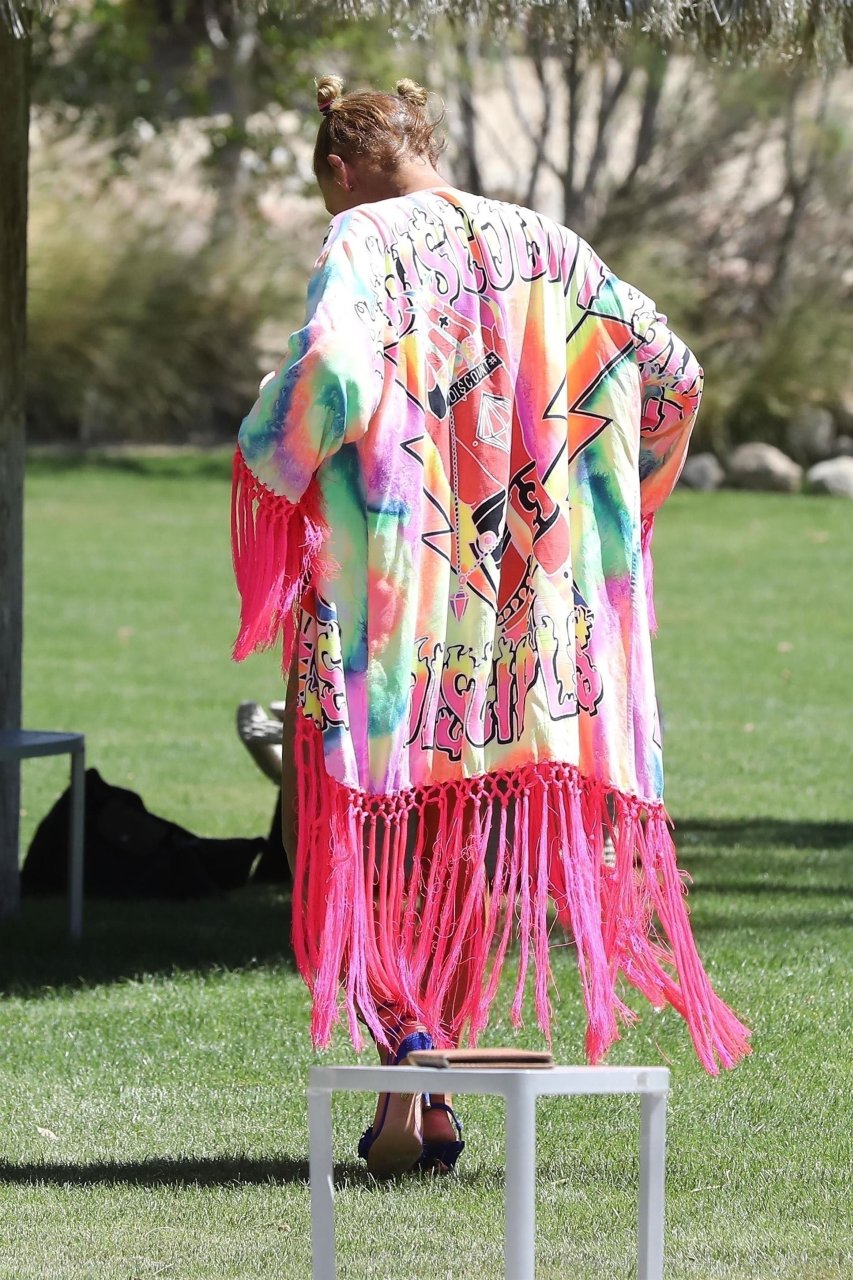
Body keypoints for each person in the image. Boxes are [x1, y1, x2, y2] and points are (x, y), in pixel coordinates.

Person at [231, 74, 750, 1176]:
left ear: (339, 170)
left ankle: (409, 1059)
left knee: (373, 834)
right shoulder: (551, 245)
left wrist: (265, 440)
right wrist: (604, 506)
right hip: (524, 619)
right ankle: (425, 1090)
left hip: (396, 606)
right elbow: (671, 376)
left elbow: (332, 373)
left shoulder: (364, 238)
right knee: (463, 839)